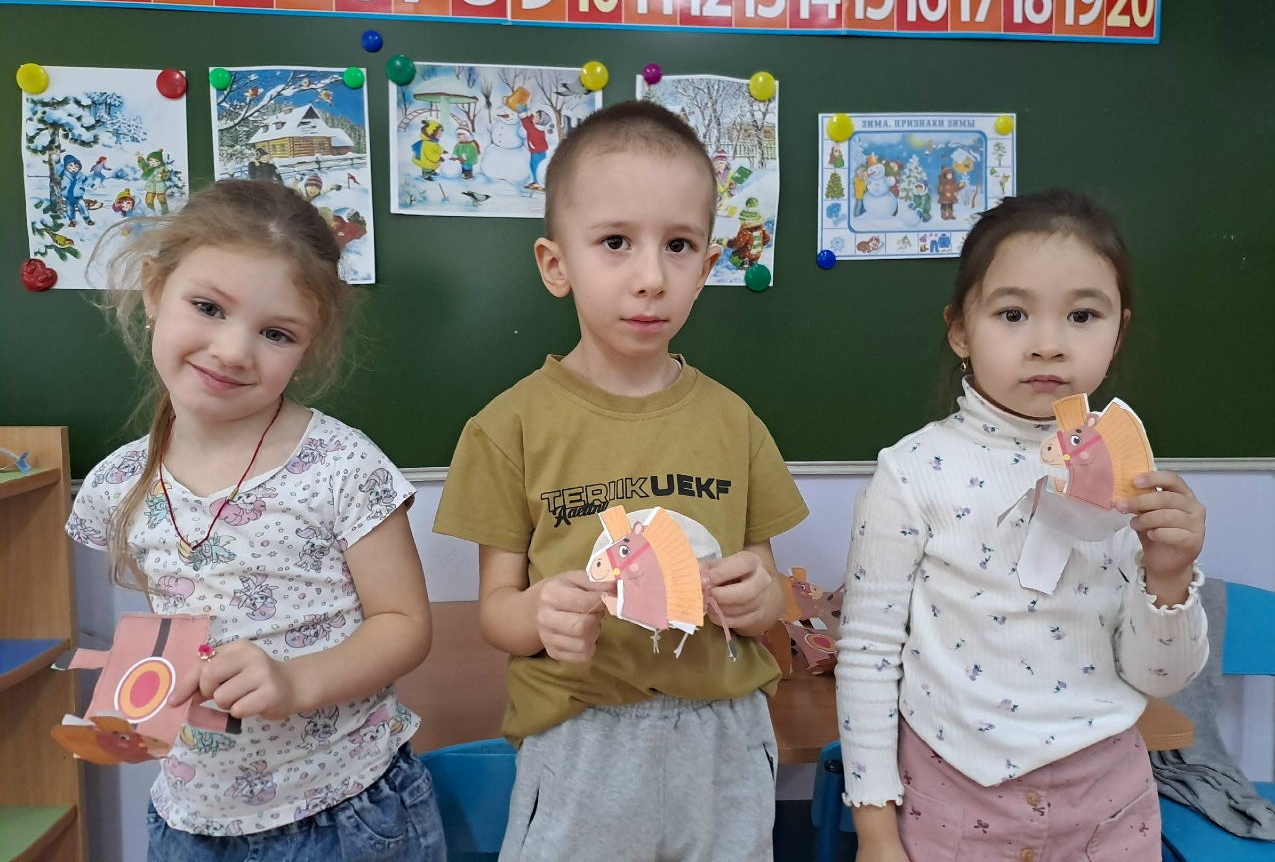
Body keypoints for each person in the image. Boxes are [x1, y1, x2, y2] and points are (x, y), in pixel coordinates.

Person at [434, 100, 809, 862]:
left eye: (679, 246)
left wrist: (761, 597)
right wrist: (540, 613)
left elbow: (772, 588)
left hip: (723, 739)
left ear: (707, 268)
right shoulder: (507, 428)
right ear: (556, 265)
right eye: (615, 243)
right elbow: (497, 613)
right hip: (582, 739)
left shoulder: (735, 422)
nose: (650, 278)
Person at [70, 179, 444, 860]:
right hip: (188, 822)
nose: (234, 350)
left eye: (275, 333)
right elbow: (178, 630)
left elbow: (405, 625)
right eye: (208, 307)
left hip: (343, 815)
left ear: (309, 343)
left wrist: (296, 682)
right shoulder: (118, 484)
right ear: (154, 291)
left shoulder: (343, 466)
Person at [836, 190, 1209, 862]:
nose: (1048, 345)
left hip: (1108, 801)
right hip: (955, 797)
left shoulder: (1131, 473)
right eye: (1012, 314)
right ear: (960, 330)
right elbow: (867, 654)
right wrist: (875, 832)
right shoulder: (911, 472)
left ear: (1118, 330)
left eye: (1082, 316)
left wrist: (1170, 577)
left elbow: (1161, 679)